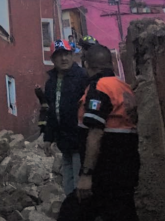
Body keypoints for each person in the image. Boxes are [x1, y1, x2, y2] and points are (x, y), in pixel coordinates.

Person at [58, 44, 140, 221]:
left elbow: (96, 132)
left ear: (87, 65)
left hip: (105, 169)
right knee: (122, 211)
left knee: (72, 212)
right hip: (127, 166)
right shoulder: (123, 87)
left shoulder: (100, 87)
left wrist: (86, 174)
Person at [42, 39, 90, 195]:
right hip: (64, 142)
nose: (63, 58)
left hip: (80, 140)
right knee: (68, 183)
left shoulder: (83, 77)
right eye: (59, 55)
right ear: (53, 59)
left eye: (66, 54)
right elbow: (51, 111)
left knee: (79, 182)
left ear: (72, 55)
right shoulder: (51, 83)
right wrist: (48, 138)